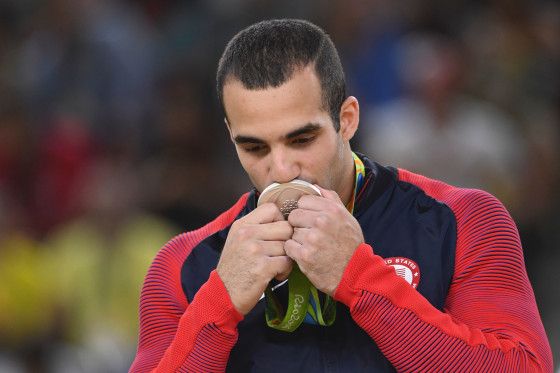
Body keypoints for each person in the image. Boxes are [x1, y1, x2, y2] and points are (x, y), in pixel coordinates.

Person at [129, 19, 552, 372]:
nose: (281, 170)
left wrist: (361, 279)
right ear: (230, 137)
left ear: (346, 120)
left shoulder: (463, 220)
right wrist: (219, 301)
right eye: (254, 147)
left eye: (302, 139)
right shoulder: (181, 264)